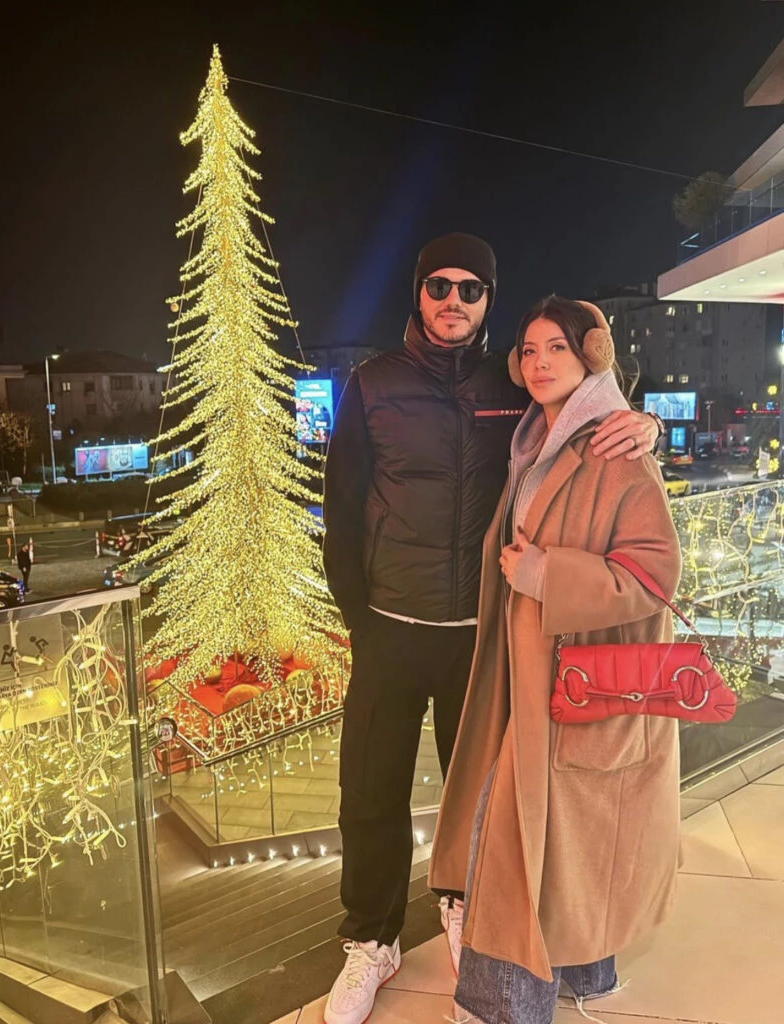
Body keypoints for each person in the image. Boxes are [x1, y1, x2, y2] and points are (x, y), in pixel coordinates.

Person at [321, 236, 660, 1024]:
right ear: (418, 293)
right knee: (368, 792)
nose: (453, 300)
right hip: (390, 627)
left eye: (470, 289)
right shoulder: (372, 383)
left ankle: (462, 905)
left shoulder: (513, 381)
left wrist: (639, 422)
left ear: (487, 300)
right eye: (438, 285)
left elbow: (583, 414)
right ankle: (371, 940)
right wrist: (358, 621)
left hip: (482, 635)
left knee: (478, 794)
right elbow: (342, 510)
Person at [429, 297, 682, 1024]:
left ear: (592, 355)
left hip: (580, 675)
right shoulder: (539, 438)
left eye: (557, 349)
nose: (539, 363)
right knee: (566, 837)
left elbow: (655, 574)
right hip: (538, 671)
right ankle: (586, 970)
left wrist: (545, 575)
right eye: (530, 350)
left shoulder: (614, 447)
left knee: (512, 836)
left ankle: (502, 1007)